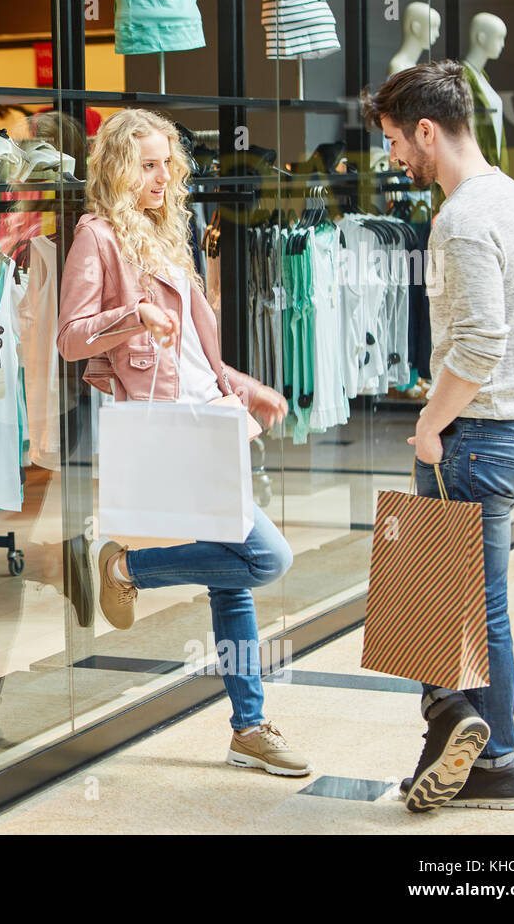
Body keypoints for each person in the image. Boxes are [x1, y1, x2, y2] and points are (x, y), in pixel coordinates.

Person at [56, 108, 310, 778]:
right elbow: (70, 337)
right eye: (147, 164)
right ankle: (127, 570)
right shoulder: (98, 236)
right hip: (169, 425)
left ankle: (248, 728)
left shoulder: (174, 231)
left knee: (235, 583)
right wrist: (129, 315)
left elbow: (196, 348)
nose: (163, 176)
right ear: (116, 167)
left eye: (168, 163)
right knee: (264, 558)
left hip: (209, 415)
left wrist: (247, 388)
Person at [361, 60, 514, 813]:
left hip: (473, 435)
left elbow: (480, 342)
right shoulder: (512, 199)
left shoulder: (463, 219)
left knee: (426, 599)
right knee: (475, 605)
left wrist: (431, 424)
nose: (395, 158)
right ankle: (486, 759)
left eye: (397, 142)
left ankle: (456, 723)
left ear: (428, 131)